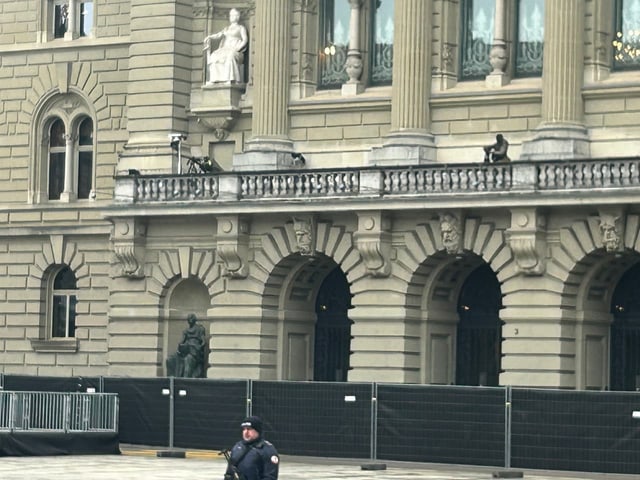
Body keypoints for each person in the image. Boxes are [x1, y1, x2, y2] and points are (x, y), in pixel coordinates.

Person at [223, 416, 279, 480]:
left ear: (258, 431)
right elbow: (229, 473)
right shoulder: (238, 447)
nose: (246, 432)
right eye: (244, 429)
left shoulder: (267, 450)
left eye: (249, 429)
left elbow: (270, 477)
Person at [203, 8, 248, 84]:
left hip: (235, 50)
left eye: (234, 15)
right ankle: (213, 80)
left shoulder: (241, 28)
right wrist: (209, 37)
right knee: (214, 56)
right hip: (225, 49)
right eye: (231, 15)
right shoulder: (227, 28)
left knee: (230, 57)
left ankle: (230, 79)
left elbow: (245, 40)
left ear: (238, 16)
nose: (232, 16)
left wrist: (238, 48)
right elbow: (218, 35)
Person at [166, 313, 206, 378]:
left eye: (191, 318)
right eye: (188, 319)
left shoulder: (200, 329)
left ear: (194, 319)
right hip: (186, 349)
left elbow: (203, 342)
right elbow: (182, 341)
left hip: (194, 351)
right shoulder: (186, 331)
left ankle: (185, 381)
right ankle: (172, 380)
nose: (190, 320)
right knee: (170, 359)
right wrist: (181, 346)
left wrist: (198, 348)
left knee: (188, 359)